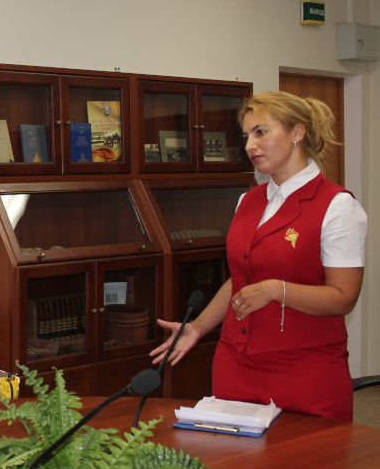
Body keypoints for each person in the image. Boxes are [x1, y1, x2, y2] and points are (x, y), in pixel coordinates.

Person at [150, 92, 367, 421]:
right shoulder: (248, 200)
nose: (250, 145)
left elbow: (344, 297)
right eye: (246, 136)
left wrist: (276, 290)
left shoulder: (337, 205)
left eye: (261, 132)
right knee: (230, 452)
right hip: (236, 362)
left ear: (297, 133)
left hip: (304, 366)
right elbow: (242, 281)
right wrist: (197, 328)